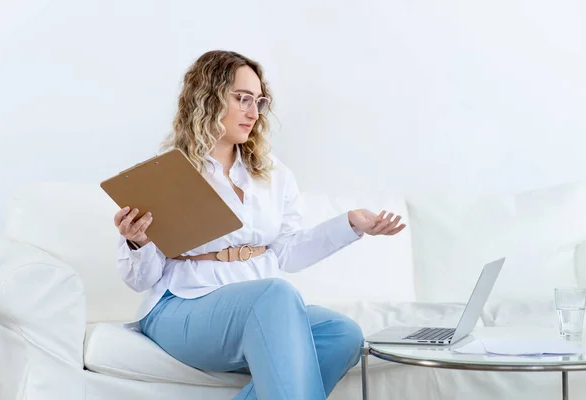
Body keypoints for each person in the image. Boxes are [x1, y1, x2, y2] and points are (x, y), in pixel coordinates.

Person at [113, 50, 406, 400]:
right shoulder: (167, 173)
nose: (254, 112)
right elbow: (141, 280)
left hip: (261, 310)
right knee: (276, 294)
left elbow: (289, 254)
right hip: (181, 306)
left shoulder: (273, 173)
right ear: (207, 98)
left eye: (259, 101)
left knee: (343, 333)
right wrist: (138, 242)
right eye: (242, 98)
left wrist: (351, 224)